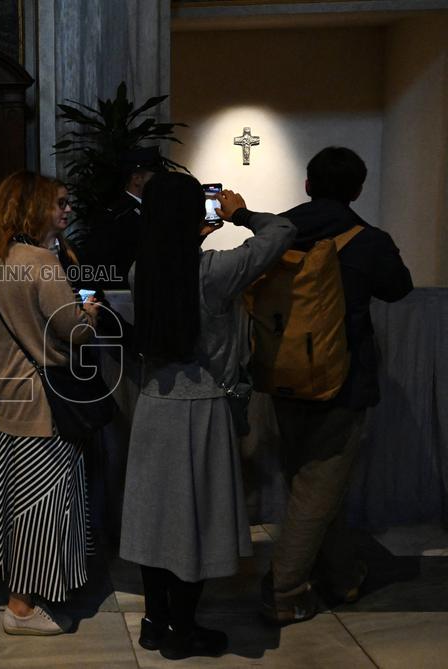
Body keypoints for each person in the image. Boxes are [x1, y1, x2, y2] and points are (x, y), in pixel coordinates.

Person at [119, 172, 295, 660]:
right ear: (194, 215)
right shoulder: (218, 271)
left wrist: (192, 237)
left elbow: (173, 269)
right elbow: (281, 233)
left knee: (157, 522)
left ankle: (155, 624)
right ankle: (183, 630)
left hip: (155, 405)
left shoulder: (141, 271)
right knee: (193, 522)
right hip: (203, 408)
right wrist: (239, 215)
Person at [263, 147, 413, 623]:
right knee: (319, 487)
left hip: (282, 373)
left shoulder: (277, 230)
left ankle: (342, 576)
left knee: (310, 485)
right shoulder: (369, 240)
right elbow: (398, 288)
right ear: (358, 190)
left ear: (307, 184)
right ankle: (284, 594)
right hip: (342, 381)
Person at [0, 171, 102, 635]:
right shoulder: (43, 264)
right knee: (43, 507)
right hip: (45, 406)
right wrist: (90, 313)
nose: (67, 211)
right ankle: (22, 608)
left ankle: (20, 594)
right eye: (59, 204)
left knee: (17, 504)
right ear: (33, 207)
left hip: (8, 399)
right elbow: (75, 331)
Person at [69, 146, 164, 290]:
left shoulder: (142, 210)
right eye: (154, 178)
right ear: (137, 179)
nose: (159, 183)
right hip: (125, 293)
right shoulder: (121, 215)